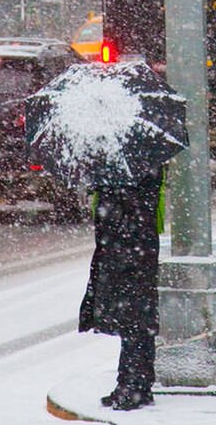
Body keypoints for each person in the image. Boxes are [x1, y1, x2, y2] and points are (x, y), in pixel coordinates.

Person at [79, 167, 162, 411]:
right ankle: (134, 384)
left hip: (132, 251)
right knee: (134, 321)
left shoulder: (134, 173)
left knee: (135, 320)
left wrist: (107, 188)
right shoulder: (129, 170)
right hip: (128, 249)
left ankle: (133, 386)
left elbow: (132, 208)